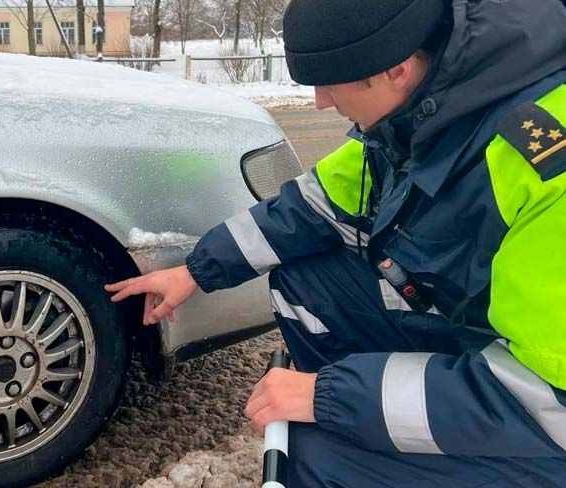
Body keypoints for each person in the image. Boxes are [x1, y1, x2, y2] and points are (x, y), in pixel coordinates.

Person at [108, 0, 566, 484]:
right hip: (481, 339)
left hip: (542, 413)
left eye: (330, 83)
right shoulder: (426, 107)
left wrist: (331, 396)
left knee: (312, 453)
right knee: (305, 282)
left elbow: (545, 398)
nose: (320, 103)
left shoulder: (548, 170)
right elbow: (315, 204)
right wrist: (197, 270)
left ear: (396, 70)